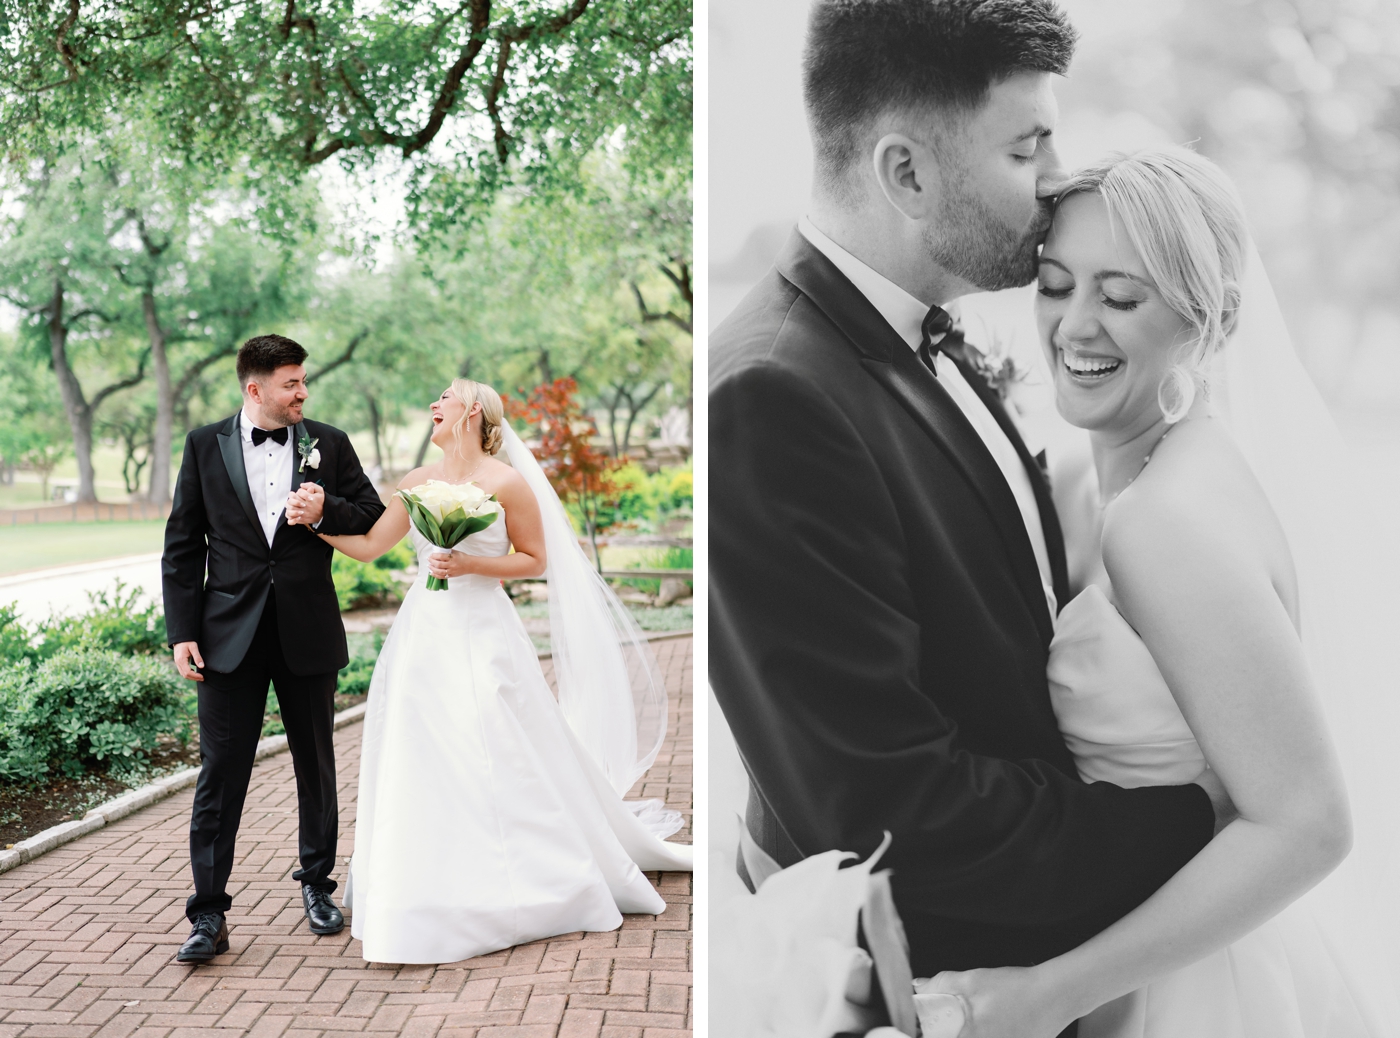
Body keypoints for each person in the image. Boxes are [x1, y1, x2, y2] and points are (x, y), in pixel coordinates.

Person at [710, 0, 1236, 1003]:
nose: (1053, 182)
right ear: (905, 173)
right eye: (1025, 147)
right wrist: (1203, 816)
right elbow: (894, 808)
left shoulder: (921, 332)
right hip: (932, 985)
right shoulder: (772, 398)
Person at [919, 148, 1400, 1037]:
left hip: (1195, 987)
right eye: (1057, 285)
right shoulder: (1130, 476)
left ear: (1211, 322)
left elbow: (1309, 826)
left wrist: (1047, 995)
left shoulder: (1161, 525)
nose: (1073, 327)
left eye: (1122, 296)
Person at [314, 379, 693, 964]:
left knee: (493, 740)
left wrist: (469, 562)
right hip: (423, 634)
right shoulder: (416, 482)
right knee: (421, 748)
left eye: (443, 397)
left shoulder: (506, 481)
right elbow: (368, 546)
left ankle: (523, 878)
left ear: (471, 412)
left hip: (484, 630)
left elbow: (535, 559)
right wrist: (316, 521)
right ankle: (429, 879)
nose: (433, 404)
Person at [162, 333, 385, 963]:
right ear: (254, 389)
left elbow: (369, 512)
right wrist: (182, 632)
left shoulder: (329, 442)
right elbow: (182, 546)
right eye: (291, 383)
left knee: (315, 768)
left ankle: (318, 886)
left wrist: (324, 509)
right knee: (219, 777)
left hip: (306, 631)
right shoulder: (205, 444)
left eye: (303, 382)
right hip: (225, 637)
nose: (303, 393)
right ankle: (207, 913)